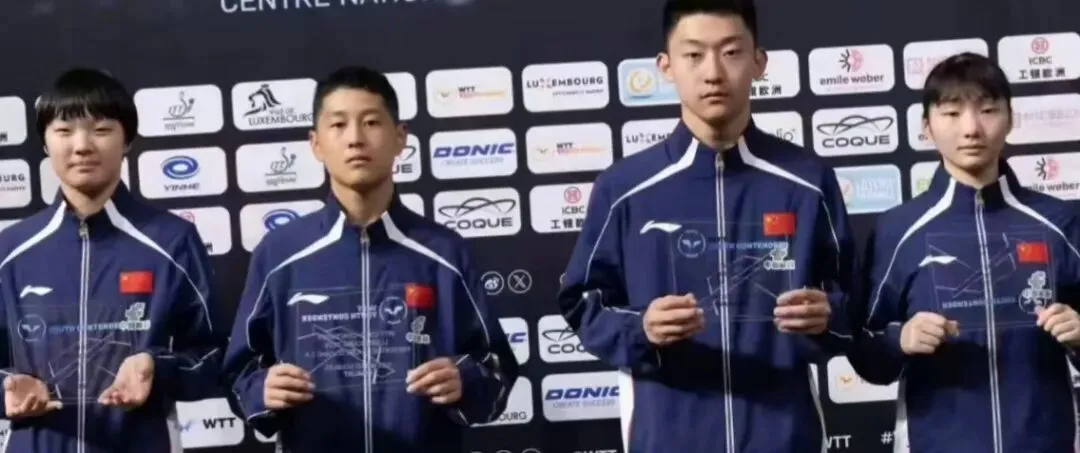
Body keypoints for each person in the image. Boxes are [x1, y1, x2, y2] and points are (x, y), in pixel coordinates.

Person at [556, 0, 856, 451]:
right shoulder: (624, 188)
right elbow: (582, 302)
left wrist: (827, 316)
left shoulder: (808, 181)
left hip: (784, 437)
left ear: (759, 62)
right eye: (694, 55)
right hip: (668, 438)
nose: (713, 72)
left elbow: (854, 304)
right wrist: (642, 328)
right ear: (666, 66)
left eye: (731, 52)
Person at [222, 66, 519, 453]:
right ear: (315, 143)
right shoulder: (280, 253)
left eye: (371, 122)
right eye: (338, 125)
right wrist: (261, 390)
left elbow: (497, 368)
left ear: (400, 138)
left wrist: (465, 381)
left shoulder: (444, 252)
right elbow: (238, 371)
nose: (355, 139)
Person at [848, 52, 1080, 452]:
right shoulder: (897, 231)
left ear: (1011, 118)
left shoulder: (1061, 222)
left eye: (988, 110)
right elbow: (864, 351)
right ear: (926, 126)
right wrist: (900, 338)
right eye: (952, 113)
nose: (972, 129)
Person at [0, 68, 226, 452]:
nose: (82, 146)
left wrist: (156, 368)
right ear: (45, 143)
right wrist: (6, 388)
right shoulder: (11, 249)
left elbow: (214, 358)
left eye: (101, 130)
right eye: (64, 130)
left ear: (127, 140)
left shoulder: (172, 241)